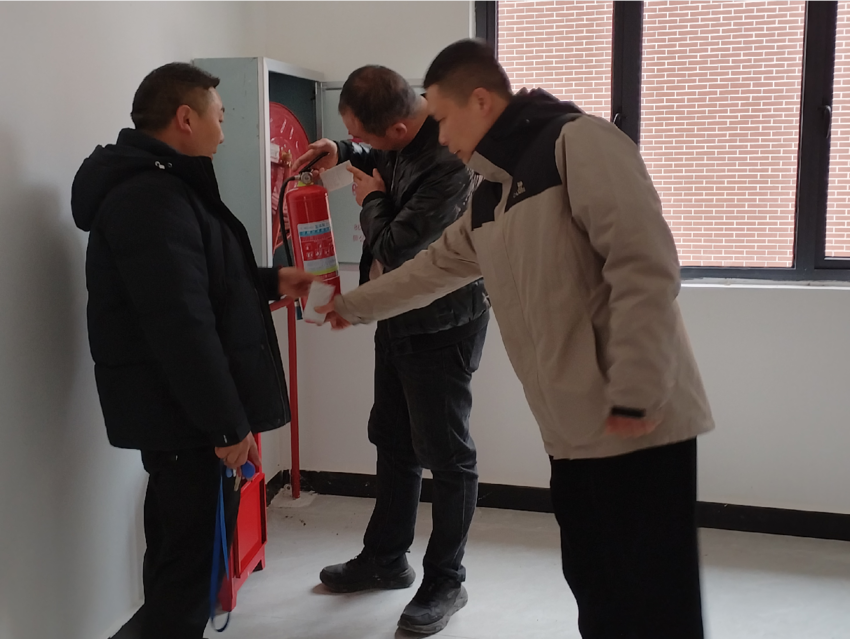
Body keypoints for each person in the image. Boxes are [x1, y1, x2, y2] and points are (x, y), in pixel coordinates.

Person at [318, 40, 716, 639]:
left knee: (654, 600)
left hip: (637, 422)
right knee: (598, 590)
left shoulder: (578, 142)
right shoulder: (491, 195)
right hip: (572, 429)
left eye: (443, 118)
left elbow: (643, 265)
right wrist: (349, 306)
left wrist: (635, 394)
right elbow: (431, 270)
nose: (439, 136)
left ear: (480, 101)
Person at [71, 62, 314, 639]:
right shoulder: (150, 198)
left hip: (183, 417)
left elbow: (201, 282)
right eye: (219, 117)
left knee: (184, 562)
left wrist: (270, 280)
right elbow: (181, 325)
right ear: (186, 118)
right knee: (186, 574)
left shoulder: (166, 188)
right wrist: (226, 426)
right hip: (184, 421)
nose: (224, 132)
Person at [294, 65, 490, 635]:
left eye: (364, 135)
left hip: (443, 324)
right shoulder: (403, 130)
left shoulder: (450, 162)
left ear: (401, 127)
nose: (363, 145)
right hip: (397, 315)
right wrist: (342, 150)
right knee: (393, 440)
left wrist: (373, 198)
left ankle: (445, 581)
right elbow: (377, 154)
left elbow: (396, 247)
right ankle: (385, 559)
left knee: (448, 456)